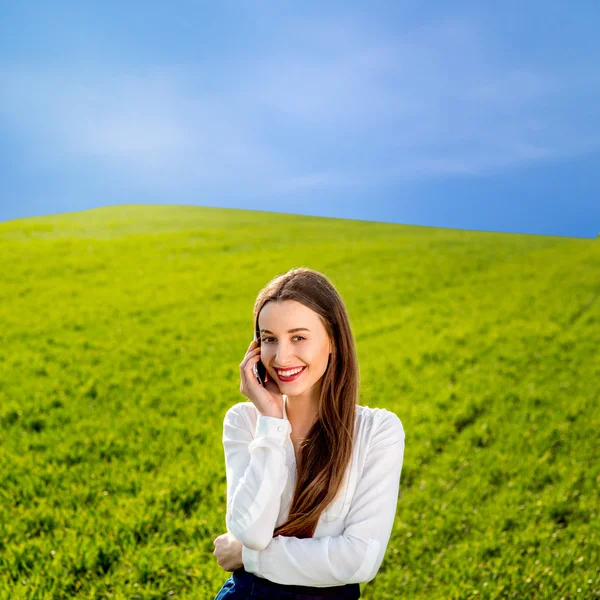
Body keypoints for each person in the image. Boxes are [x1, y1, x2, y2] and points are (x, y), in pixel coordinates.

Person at [213, 267, 406, 599]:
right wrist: (271, 422)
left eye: (298, 337)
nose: (281, 356)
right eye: (269, 339)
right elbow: (251, 531)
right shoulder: (244, 421)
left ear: (332, 341)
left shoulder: (378, 432)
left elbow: (358, 561)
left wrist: (246, 557)